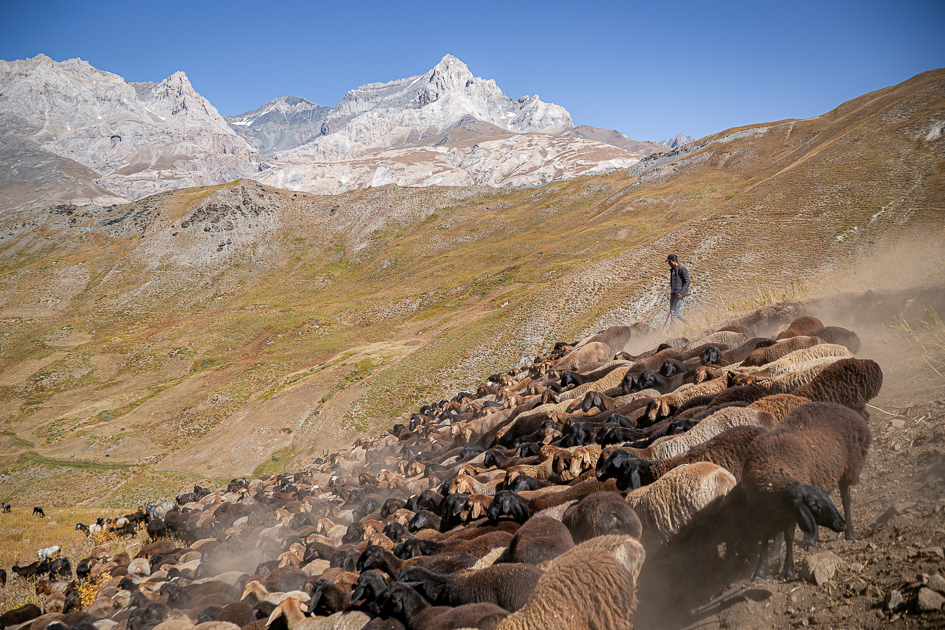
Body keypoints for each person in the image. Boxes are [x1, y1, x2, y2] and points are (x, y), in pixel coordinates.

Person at [667, 254, 690, 326]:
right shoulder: (673, 270)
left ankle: (672, 330)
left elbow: (687, 281)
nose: (668, 263)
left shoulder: (682, 269)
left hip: (679, 293)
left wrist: (681, 293)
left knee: (674, 312)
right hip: (673, 293)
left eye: (670, 261)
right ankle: (688, 324)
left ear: (674, 261)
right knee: (673, 311)